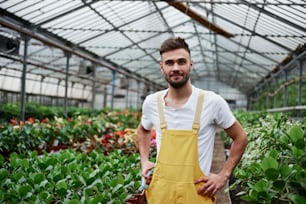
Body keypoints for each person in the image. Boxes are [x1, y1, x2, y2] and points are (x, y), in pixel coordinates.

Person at [136, 36, 248, 203]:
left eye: (181, 62)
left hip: (196, 194)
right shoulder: (152, 102)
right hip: (160, 194)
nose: (175, 68)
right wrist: (144, 161)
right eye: (169, 63)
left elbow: (240, 137)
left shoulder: (212, 102)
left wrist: (223, 175)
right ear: (162, 67)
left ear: (190, 64)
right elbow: (143, 130)